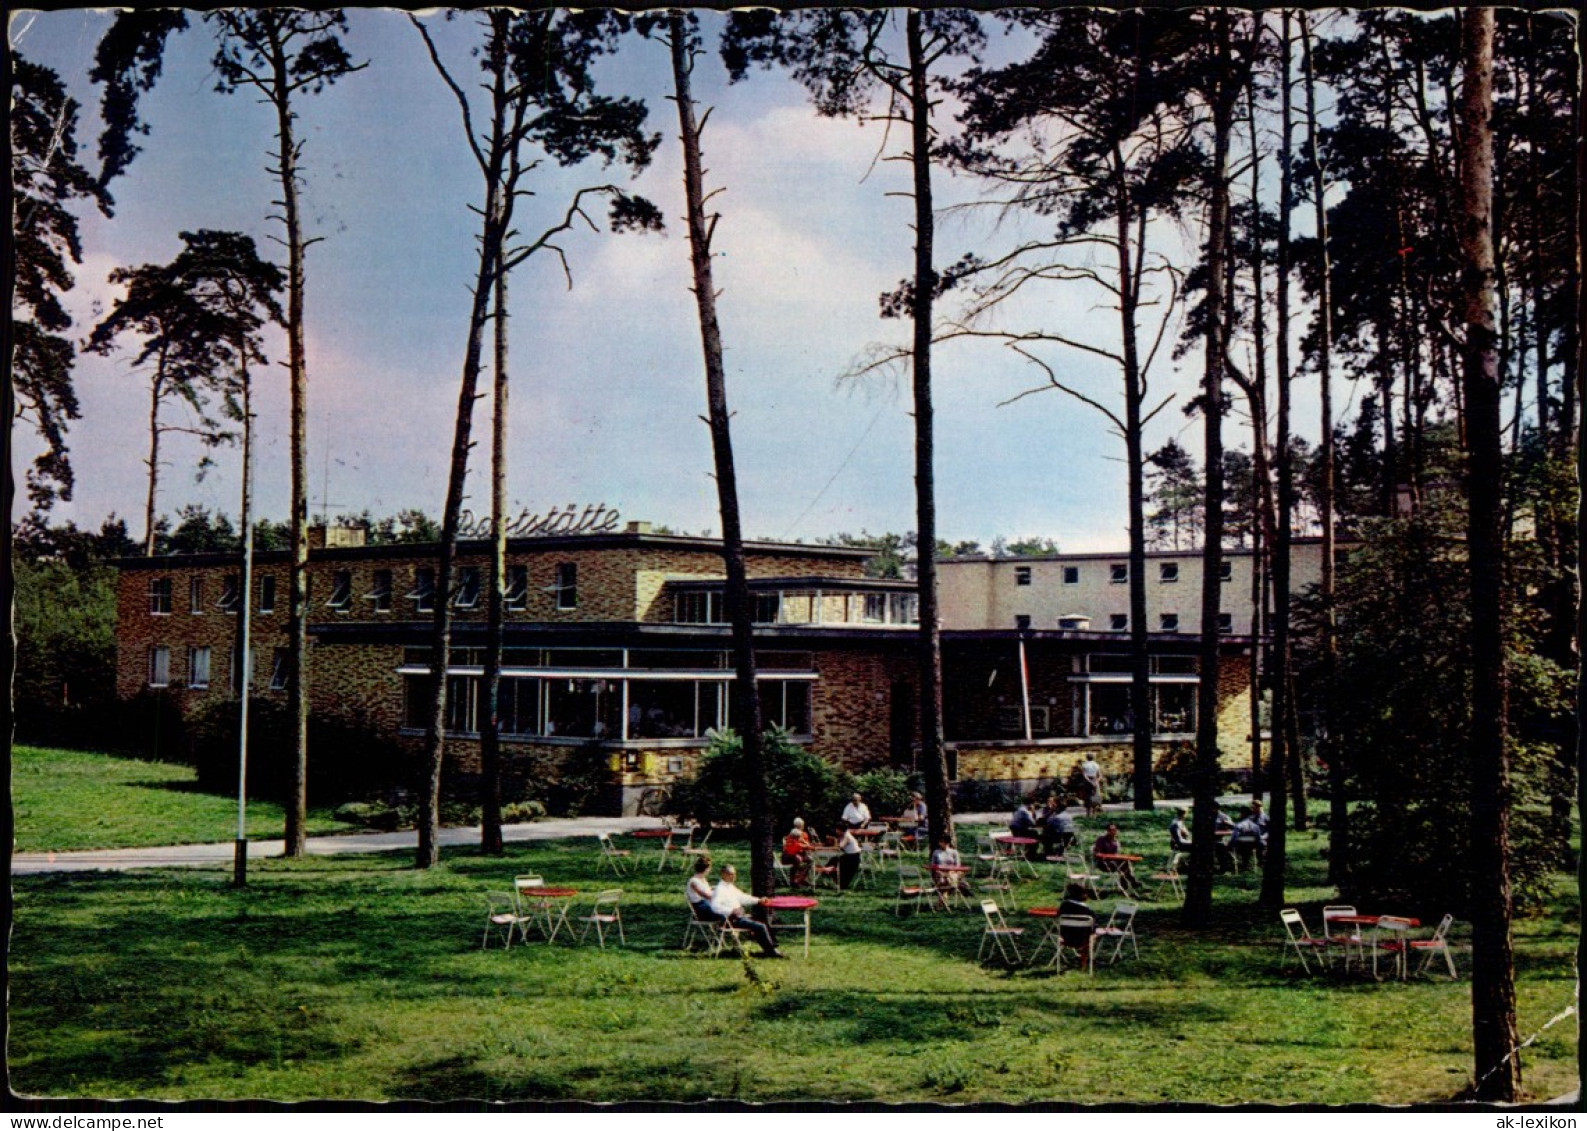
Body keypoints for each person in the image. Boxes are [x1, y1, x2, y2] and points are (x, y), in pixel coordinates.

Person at [709, 864, 784, 957]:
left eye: (734, 874)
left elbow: (743, 897)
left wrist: (758, 900)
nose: (733, 877)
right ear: (723, 874)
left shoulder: (730, 887)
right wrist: (731, 910)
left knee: (763, 918)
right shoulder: (720, 889)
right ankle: (771, 952)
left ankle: (771, 948)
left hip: (739, 916)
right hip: (731, 919)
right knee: (760, 926)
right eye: (730, 874)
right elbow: (714, 906)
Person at [1058, 883, 1096, 971]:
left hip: (1066, 937)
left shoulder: (1064, 906)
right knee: (1092, 935)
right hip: (1082, 939)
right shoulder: (1087, 910)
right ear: (1081, 895)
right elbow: (1093, 925)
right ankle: (1083, 962)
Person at [1092, 822, 1138, 892]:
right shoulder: (1101, 840)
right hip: (1103, 863)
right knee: (1123, 865)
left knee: (1124, 863)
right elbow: (1097, 853)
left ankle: (1125, 884)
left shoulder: (1116, 842)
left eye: (1115, 830)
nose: (1113, 832)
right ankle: (1130, 882)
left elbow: (1116, 855)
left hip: (1113, 863)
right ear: (1107, 831)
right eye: (1111, 830)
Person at [686, 856, 723, 923]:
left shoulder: (703, 879)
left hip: (707, 904)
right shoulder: (693, 882)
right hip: (701, 909)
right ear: (706, 869)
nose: (710, 870)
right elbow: (705, 895)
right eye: (709, 868)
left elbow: (709, 892)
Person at [781, 818, 814, 887]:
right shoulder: (798, 836)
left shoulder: (791, 834)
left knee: (802, 860)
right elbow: (809, 847)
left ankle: (797, 880)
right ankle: (797, 880)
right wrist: (804, 842)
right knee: (801, 860)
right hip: (792, 856)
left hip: (790, 856)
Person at [836, 825, 863, 890]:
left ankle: (840, 882)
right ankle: (836, 880)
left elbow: (841, 846)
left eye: (837, 830)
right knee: (834, 860)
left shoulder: (847, 836)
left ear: (840, 830)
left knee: (835, 861)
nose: (836, 831)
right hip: (850, 856)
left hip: (853, 858)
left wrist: (837, 840)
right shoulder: (846, 835)